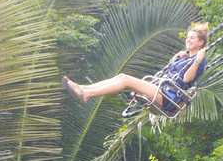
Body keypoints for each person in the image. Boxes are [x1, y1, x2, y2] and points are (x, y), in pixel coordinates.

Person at [63, 23, 208, 114]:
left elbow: (187, 79)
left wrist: (198, 60)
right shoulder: (186, 57)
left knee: (125, 80)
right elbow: (170, 71)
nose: (187, 40)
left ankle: (87, 94)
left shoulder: (199, 60)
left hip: (168, 97)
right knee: (121, 76)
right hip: (161, 89)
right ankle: (84, 88)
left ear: (201, 42)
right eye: (187, 37)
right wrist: (177, 56)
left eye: (192, 38)